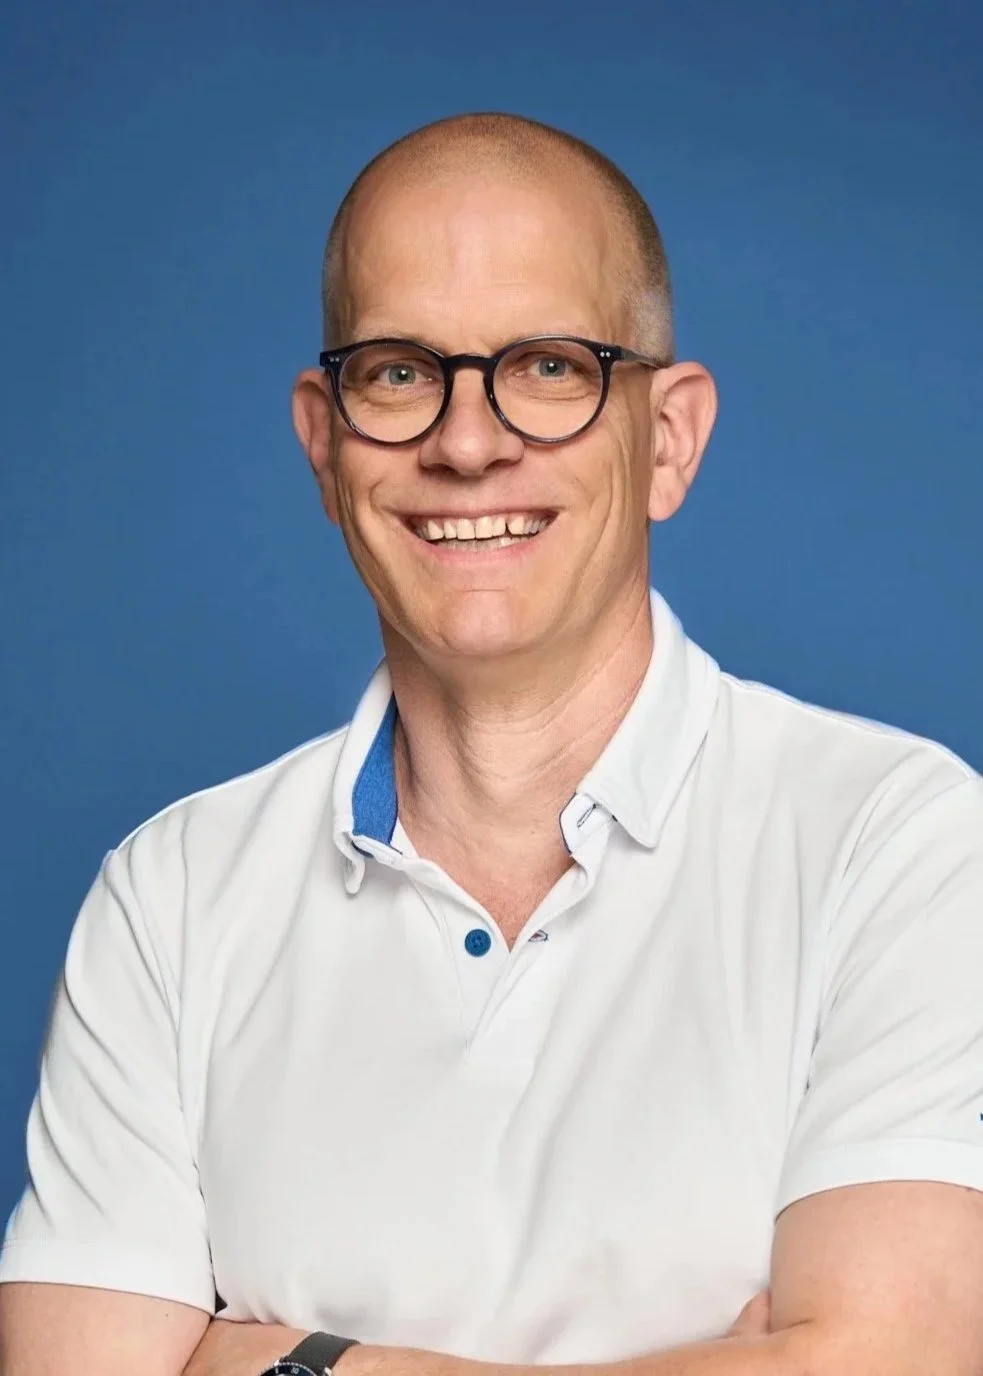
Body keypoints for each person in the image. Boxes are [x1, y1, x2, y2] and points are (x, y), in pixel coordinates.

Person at [1, 111, 982, 1376]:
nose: (467, 443)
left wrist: (296, 1363)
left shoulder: (897, 841)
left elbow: (896, 1363)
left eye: (549, 366)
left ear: (667, 438)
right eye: (399, 371)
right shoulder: (171, 894)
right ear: (322, 437)